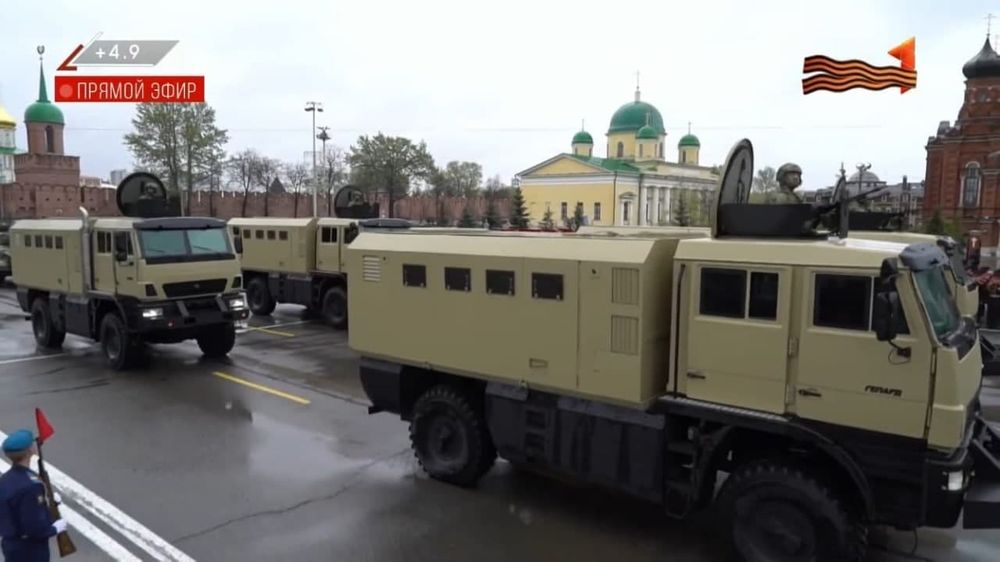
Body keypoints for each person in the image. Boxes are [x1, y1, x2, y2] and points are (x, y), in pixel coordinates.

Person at [0, 430, 66, 562]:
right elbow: (34, 526)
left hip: (11, 544)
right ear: (30, 450)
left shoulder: (5, 479)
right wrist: (54, 529)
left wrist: (48, 503)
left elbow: (15, 511)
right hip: (29, 550)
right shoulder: (30, 486)